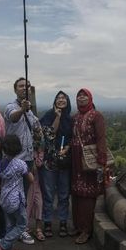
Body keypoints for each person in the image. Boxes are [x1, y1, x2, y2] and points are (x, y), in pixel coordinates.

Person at [4, 77, 41, 244]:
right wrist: (22, 110)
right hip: (14, 159)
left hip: (28, 158)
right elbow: (13, 117)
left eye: (26, 86)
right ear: (15, 89)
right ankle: (13, 228)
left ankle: (21, 228)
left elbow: (35, 126)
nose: (24, 88)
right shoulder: (10, 107)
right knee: (12, 195)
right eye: (20, 86)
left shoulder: (31, 110)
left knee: (24, 195)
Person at [70, 88, 109, 244]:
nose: (81, 97)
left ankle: (87, 230)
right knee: (77, 193)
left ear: (90, 98)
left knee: (88, 194)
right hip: (75, 159)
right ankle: (78, 226)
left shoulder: (96, 116)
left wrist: (101, 161)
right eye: (79, 95)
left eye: (84, 95)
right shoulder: (75, 117)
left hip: (90, 161)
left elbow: (101, 138)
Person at [0, 134, 34, 250]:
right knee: (21, 225)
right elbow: (31, 179)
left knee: (9, 226)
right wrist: (30, 170)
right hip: (16, 199)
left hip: (4, 199)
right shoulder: (20, 164)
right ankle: (2, 245)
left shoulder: (1, 163)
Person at [38, 91, 73, 238]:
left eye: (63, 98)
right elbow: (49, 133)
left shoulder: (71, 119)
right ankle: (47, 222)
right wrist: (57, 116)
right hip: (49, 161)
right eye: (58, 98)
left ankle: (63, 222)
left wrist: (67, 148)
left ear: (67, 101)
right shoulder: (48, 116)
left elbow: (74, 138)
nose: (61, 99)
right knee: (48, 193)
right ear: (54, 101)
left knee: (64, 194)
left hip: (64, 161)